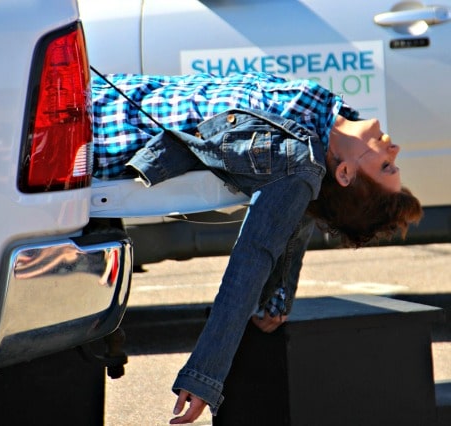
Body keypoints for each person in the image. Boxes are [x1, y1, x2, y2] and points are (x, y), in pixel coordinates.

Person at [91, 72, 423, 424]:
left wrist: (205, 375)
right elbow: (307, 209)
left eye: (385, 166)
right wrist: (279, 298)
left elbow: (254, 257)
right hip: (102, 86)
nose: (395, 149)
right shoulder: (326, 116)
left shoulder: (299, 163)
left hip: (98, 124)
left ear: (345, 173)